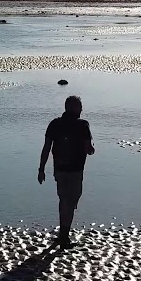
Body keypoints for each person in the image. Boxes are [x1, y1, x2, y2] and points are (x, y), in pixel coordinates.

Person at [38, 95, 95, 248]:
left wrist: (42, 169)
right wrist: (91, 150)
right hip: (75, 170)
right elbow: (88, 149)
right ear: (74, 108)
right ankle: (64, 237)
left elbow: (46, 148)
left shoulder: (55, 124)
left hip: (60, 169)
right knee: (71, 201)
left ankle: (63, 234)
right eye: (80, 106)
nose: (82, 109)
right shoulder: (83, 125)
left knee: (65, 200)